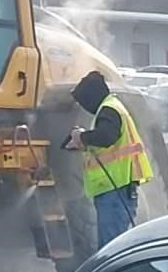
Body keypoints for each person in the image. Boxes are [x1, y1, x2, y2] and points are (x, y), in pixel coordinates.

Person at [65, 70, 153, 248]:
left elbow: (106, 136)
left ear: (91, 97)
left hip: (115, 190)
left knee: (111, 248)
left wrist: (82, 137)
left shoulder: (109, 110)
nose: (84, 107)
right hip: (117, 188)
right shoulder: (112, 107)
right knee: (115, 245)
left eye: (84, 102)